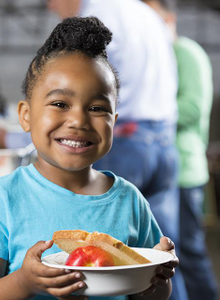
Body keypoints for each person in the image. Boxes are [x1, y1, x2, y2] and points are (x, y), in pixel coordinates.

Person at [0, 17, 178, 300]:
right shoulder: (3, 197)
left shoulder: (130, 200)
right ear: (26, 115)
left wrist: (157, 278)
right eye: (60, 104)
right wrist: (23, 283)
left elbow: (148, 294)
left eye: (97, 108)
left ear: (114, 121)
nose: (78, 120)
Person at [47, 1, 187, 300]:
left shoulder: (96, 15)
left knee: (101, 259)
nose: (53, 8)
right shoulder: (147, 13)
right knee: (164, 258)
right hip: (163, 142)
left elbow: (82, 83)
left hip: (127, 141)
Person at [142, 1, 219, 299]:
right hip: (168, 165)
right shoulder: (160, 56)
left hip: (185, 168)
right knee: (171, 252)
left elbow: (192, 108)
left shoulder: (185, 52)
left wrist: (146, 113)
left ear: (170, 18)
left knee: (189, 250)